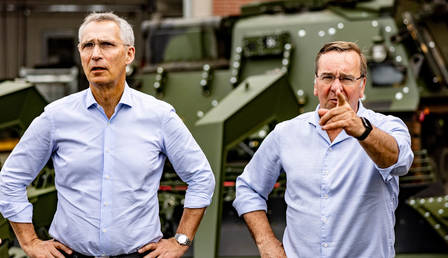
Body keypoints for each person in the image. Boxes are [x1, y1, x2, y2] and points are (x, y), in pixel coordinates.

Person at [0, 12, 215, 258]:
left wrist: (181, 241)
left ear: (129, 54)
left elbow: (201, 178)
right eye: (88, 45)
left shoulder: (159, 116)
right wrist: (30, 243)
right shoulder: (56, 117)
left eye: (107, 45)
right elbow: (11, 178)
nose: (96, 54)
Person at [233, 41, 414, 258]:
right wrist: (266, 243)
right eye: (328, 77)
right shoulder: (286, 133)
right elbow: (248, 188)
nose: (336, 88)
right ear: (315, 84)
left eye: (346, 78)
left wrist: (361, 130)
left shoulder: (386, 127)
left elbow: (400, 161)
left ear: (362, 86)